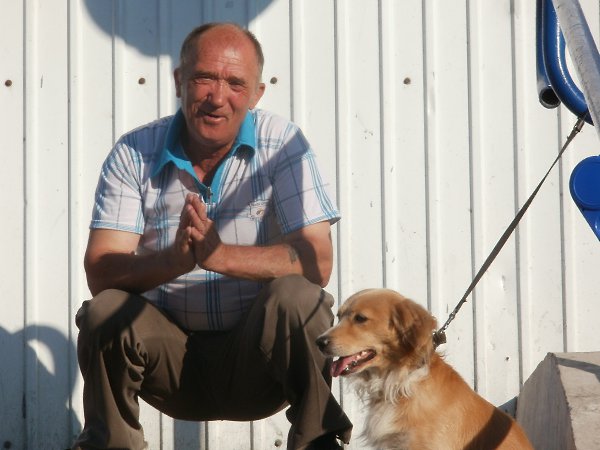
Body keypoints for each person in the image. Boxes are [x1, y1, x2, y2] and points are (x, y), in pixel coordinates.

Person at [72, 22, 352, 450]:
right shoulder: (134, 152)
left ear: (257, 94)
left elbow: (318, 261)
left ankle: (318, 443)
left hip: (258, 364)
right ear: (179, 81)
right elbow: (100, 271)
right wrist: (174, 261)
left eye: (235, 83)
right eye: (204, 78)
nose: (217, 97)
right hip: (170, 365)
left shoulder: (283, 143)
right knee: (104, 311)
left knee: (300, 297)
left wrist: (220, 256)